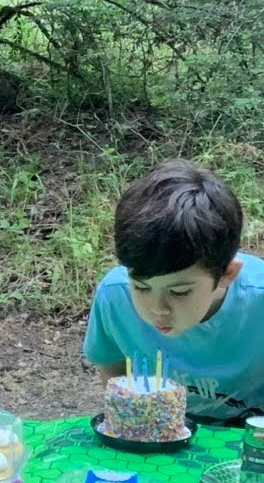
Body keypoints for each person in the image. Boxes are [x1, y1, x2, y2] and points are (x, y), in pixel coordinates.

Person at [83, 158, 264, 426]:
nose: (158, 308)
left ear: (227, 273)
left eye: (179, 292)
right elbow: (114, 373)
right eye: (141, 286)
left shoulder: (258, 302)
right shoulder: (115, 297)